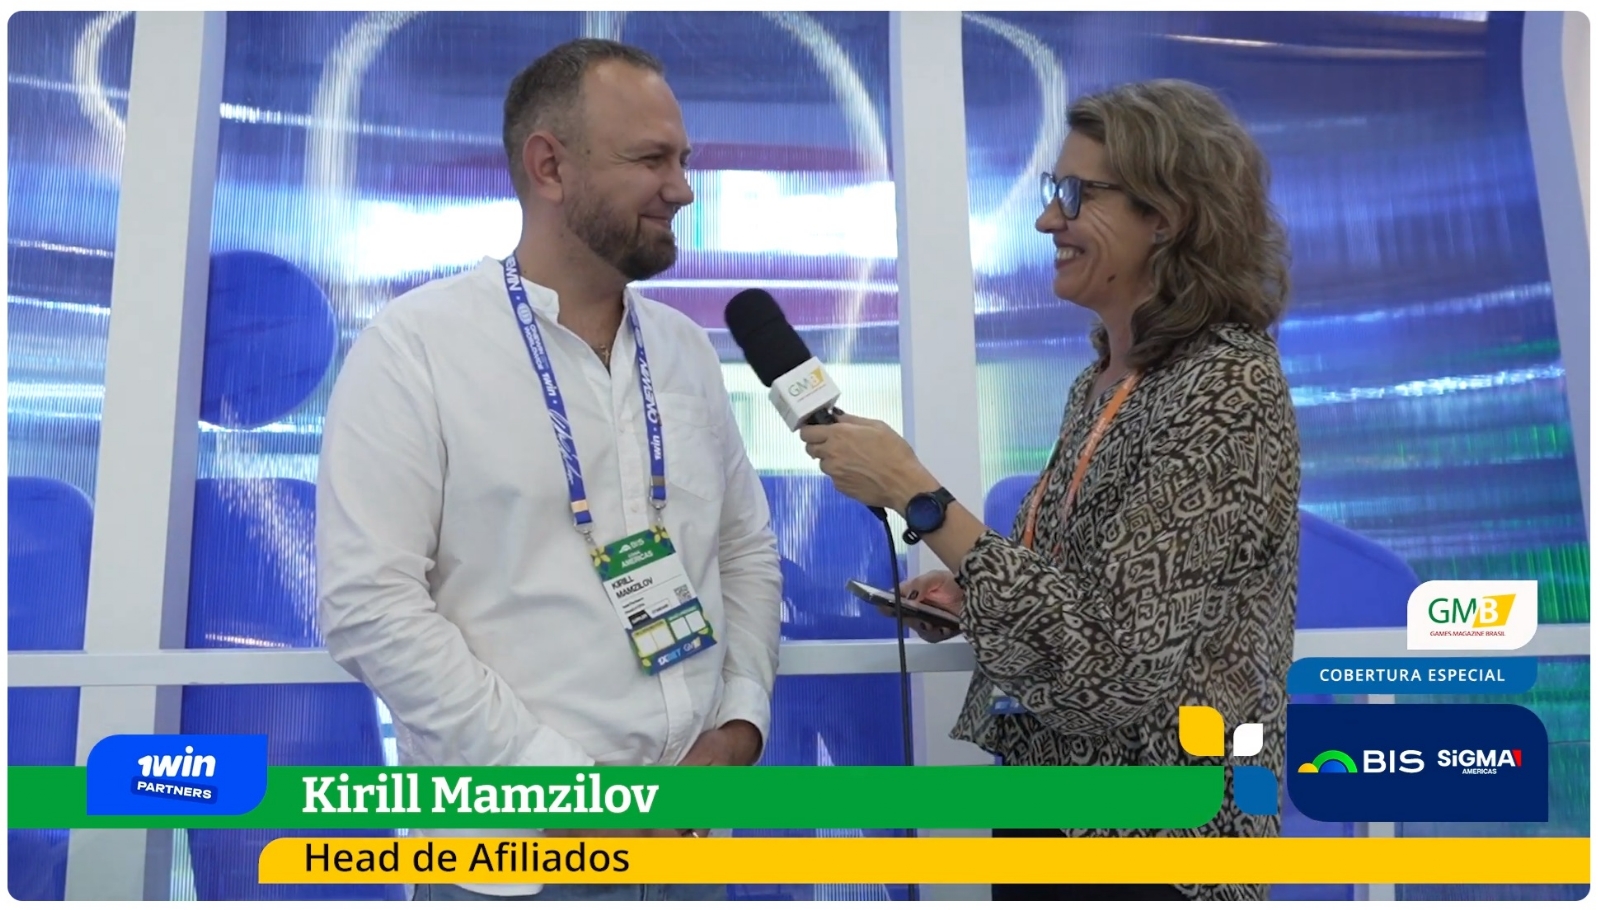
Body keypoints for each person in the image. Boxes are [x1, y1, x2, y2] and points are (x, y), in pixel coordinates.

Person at [801, 79, 1300, 901]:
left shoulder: (1225, 389)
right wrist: (977, 599)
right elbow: (1088, 604)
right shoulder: (1102, 383)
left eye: (1076, 194)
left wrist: (918, 495)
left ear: (1167, 215)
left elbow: (1112, 669)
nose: (1046, 221)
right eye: (1050, 191)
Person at [316, 38, 782, 901]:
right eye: (651, 160)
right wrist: (564, 792)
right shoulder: (416, 349)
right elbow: (368, 605)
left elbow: (744, 549)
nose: (682, 188)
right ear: (550, 167)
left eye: (683, 160)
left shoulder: (683, 351)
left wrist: (740, 723)